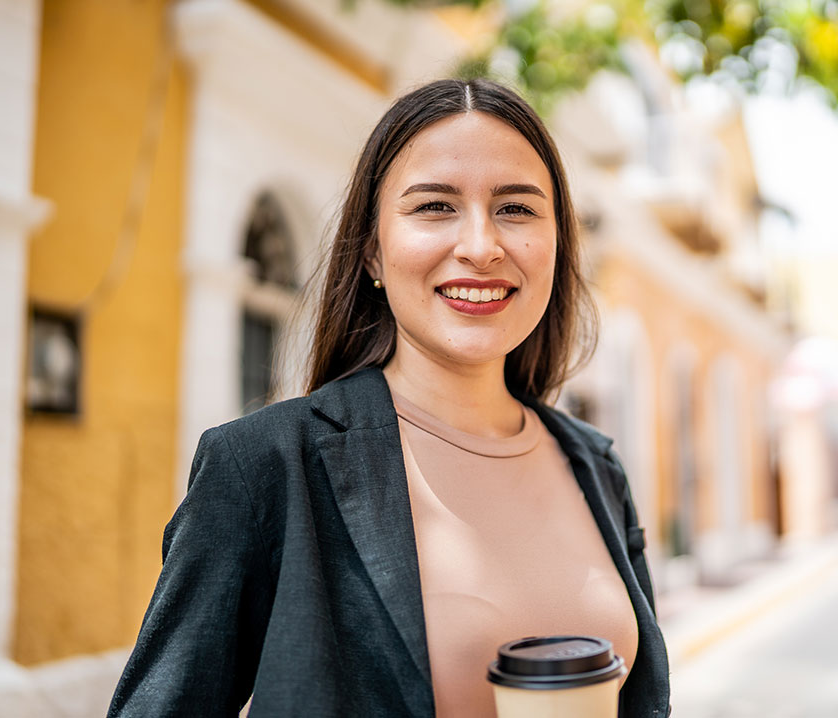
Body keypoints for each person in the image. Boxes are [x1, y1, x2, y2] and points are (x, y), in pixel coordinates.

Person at [107, 78, 670, 717]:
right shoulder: (265, 465)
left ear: (557, 243)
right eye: (434, 206)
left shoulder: (596, 468)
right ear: (373, 249)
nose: (482, 247)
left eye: (516, 209)